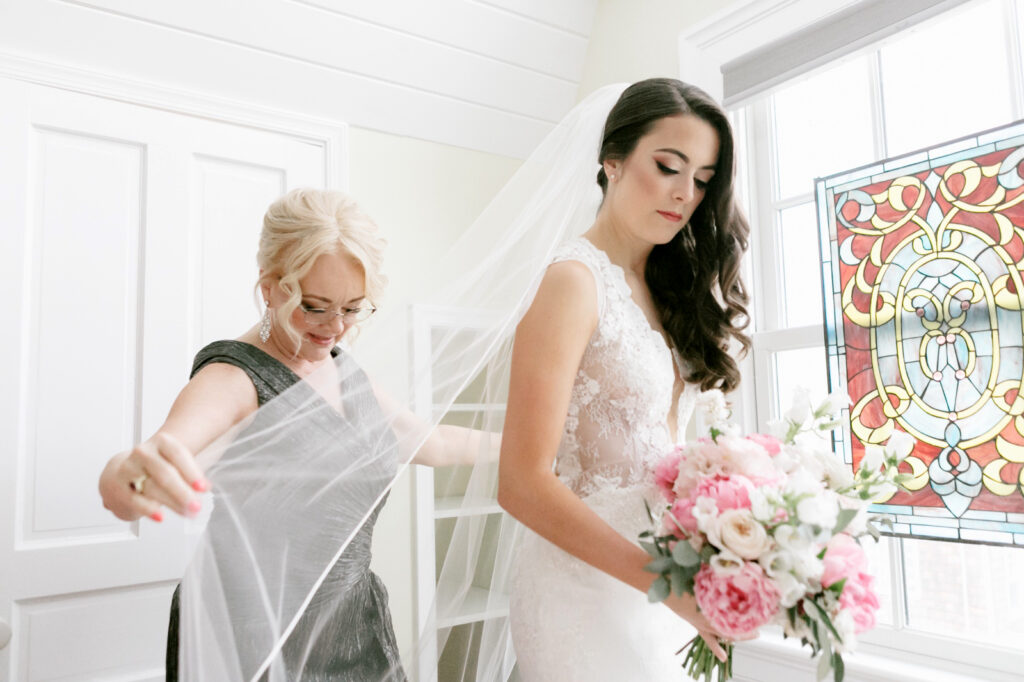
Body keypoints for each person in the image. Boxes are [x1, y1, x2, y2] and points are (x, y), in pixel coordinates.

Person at [98, 188, 487, 681]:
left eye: (352, 308)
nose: (335, 328)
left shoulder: (343, 369)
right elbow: (155, 455)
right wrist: (123, 479)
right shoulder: (232, 378)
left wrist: (542, 446)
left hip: (352, 624)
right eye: (316, 306)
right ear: (271, 288)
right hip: (255, 638)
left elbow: (434, 442)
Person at [497, 78, 752, 680]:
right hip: (582, 590)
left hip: (664, 583)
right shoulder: (571, 281)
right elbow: (520, 483)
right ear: (612, 161)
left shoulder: (672, 291)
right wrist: (666, 584)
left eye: (703, 179)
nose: (685, 193)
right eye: (668, 166)